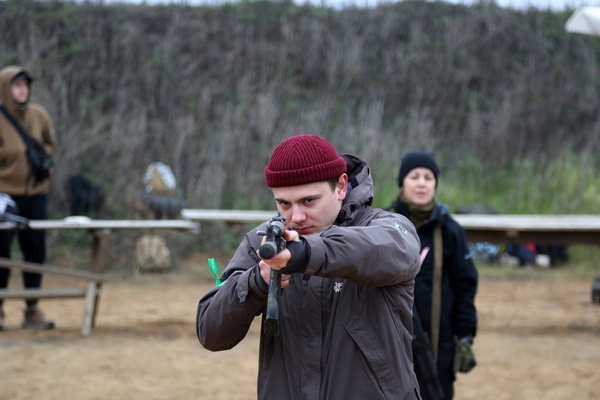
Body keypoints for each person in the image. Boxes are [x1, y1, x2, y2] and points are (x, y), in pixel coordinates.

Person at [197, 135, 423, 399]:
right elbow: (211, 333)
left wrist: (304, 253)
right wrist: (258, 281)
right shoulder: (263, 241)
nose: (297, 217)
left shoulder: (388, 227)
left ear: (340, 186)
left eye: (308, 201)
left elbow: (386, 249)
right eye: (284, 204)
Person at [387, 151, 478, 400]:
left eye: (428, 177)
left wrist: (466, 336)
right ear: (402, 183)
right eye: (414, 176)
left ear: (435, 184)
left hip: (438, 345)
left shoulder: (450, 230)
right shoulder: (382, 224)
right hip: (388, 340)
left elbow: (465, 286)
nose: (421, 183)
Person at [0, 66, 57, 330]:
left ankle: (32, 309)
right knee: (2, 253)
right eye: (17, 85)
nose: (23, 89)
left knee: (35, 251)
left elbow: (50, 143)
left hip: (36, 194)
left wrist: (39, 155)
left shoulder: (39, 115)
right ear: (6, 88)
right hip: (4, 196)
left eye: (26, 85)